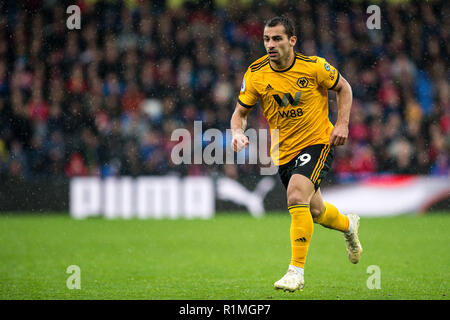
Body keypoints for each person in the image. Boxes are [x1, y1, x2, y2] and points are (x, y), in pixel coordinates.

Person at [230, 16, 362, 292]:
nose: (270, 44)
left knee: (295, 196)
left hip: (317, 142)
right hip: (283, 152)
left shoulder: (314, 67)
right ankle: (348, 225)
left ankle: (295, 272)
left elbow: (344, 88)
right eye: (266, 39)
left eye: (277, 39)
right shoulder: (255, 73)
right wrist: (237, 132)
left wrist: (342, 123)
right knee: (315, 211)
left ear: (292, 41)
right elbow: (240, 113)